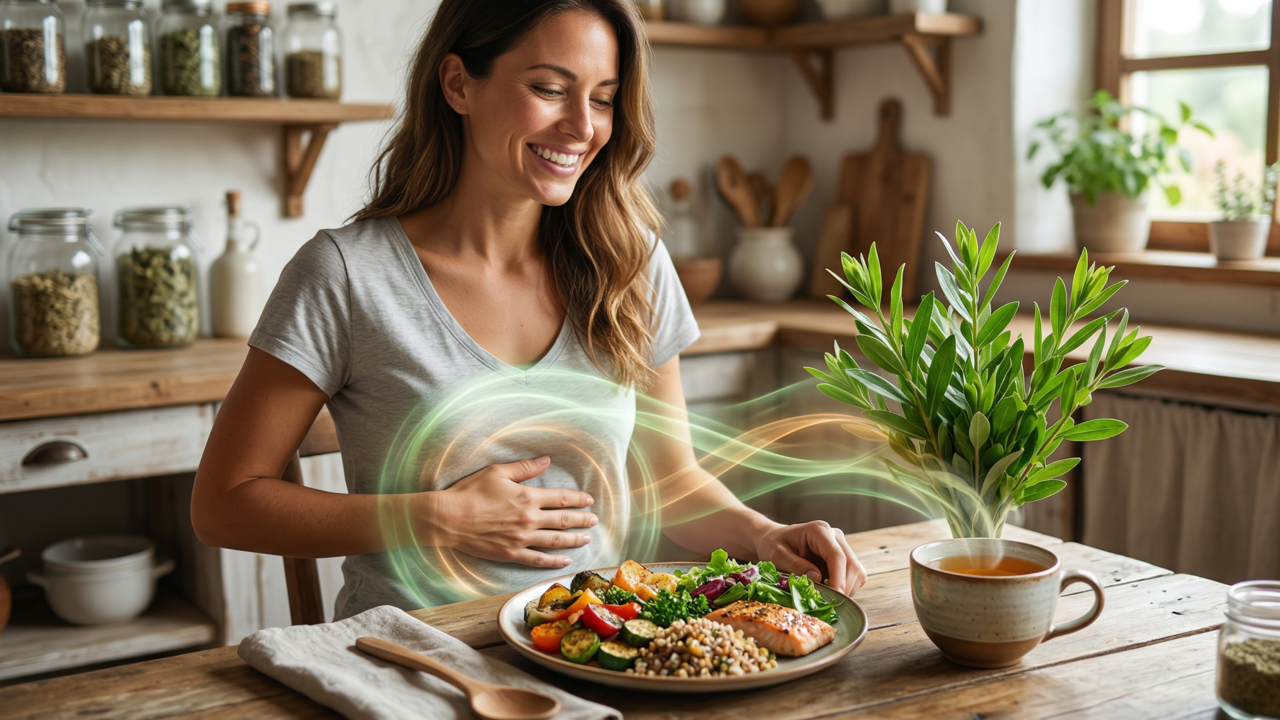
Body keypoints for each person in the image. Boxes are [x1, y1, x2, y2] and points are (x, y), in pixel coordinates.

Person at [192, 0, 867, 619]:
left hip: (592, 649)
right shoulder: (345, 275)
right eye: (548, 89)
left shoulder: (630, 264)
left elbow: (671, 480)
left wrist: (769, 537)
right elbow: (224, 504)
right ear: (457, 84)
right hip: (411, 655)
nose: (582, 127)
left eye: (602, 99)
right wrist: (437, 517)